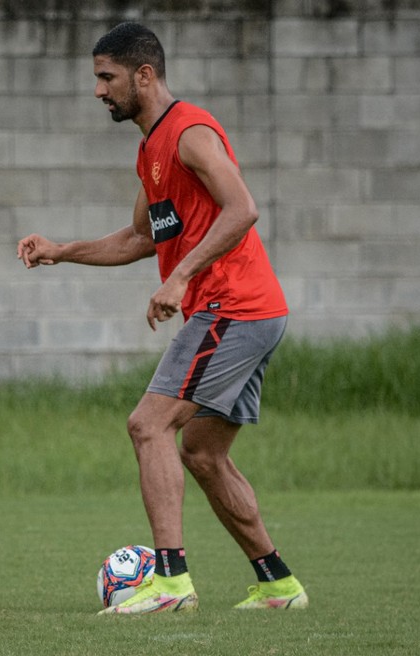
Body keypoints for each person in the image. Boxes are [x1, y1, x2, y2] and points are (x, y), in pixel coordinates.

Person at [17, 21, 308, 615]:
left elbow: (242, 209)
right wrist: (62, 250)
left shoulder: (190, 133)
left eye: (107, 77)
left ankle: (171, 584)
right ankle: (279, 585)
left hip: (235, 306)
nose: (98, 91)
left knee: (148, 425)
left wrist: (181, 277)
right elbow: (142, 237)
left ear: (143, 75)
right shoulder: (150, 150)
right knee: (202, 452)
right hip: (249, 312)